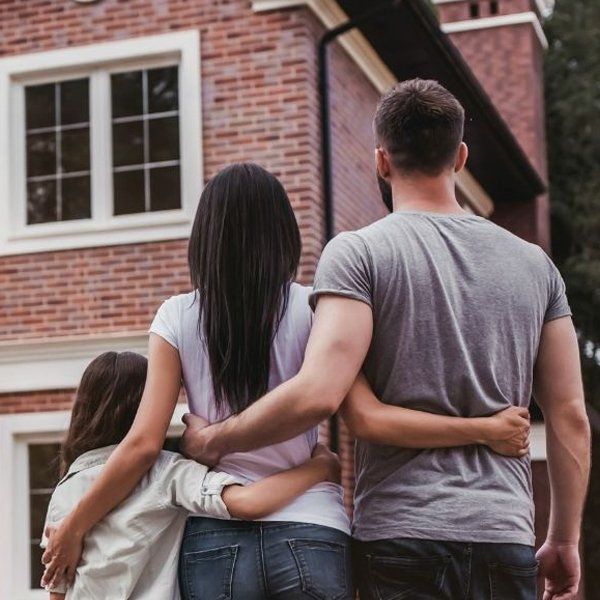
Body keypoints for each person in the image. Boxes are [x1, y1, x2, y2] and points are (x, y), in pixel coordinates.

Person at [175, 82, 591, 600]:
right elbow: (570, 414)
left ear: (381, 160)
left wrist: (213, 439)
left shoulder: (358, 254)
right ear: (460, 156)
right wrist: (563, 539)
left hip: (398, 535)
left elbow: (319, 395)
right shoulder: (536, 265)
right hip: (501, 532)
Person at [42, 163, 529, 599]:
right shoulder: (318, 307)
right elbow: (359, 410)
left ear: (205, 236)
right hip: (311, 528)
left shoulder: (176, 316)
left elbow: (142, 444)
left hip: (216, 536)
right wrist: (483, 429)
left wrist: (74, 526)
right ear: (283, 234)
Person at [42, 351, 341, 599]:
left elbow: (57, 589)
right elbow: (248, 502)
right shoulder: (166, 472)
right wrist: (320, 468)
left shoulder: (67, 489)